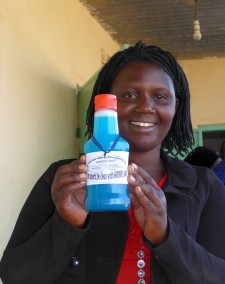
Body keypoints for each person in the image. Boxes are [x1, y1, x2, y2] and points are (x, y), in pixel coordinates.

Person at [1, 41, 225, 284]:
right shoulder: (64, 180)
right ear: (104, 104)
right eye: (129, 95)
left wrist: (166, 237)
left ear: (175, 107)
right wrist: (67, 224)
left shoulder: (203, 185)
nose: (146, 107)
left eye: (160, 96)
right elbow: (15, 277)